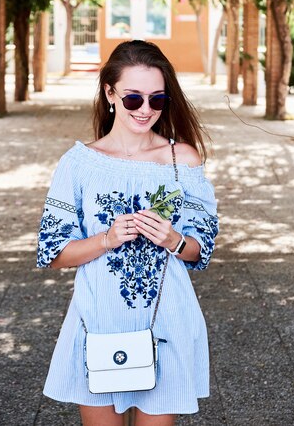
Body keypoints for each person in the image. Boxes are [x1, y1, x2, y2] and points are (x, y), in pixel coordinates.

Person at [37, 40, 218, 426]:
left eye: (157, 100)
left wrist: (174, 240)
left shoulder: (182, 159)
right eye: (134, 98)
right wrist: (106, 238)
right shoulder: (79, 164)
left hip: (167, 322)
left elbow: (200, 250)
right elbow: (52, 253)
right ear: (109, 94)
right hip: (97, 320)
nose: (146, 110)